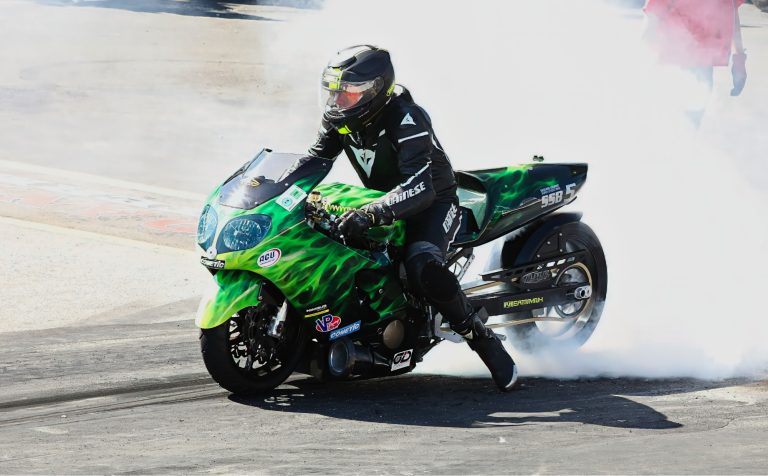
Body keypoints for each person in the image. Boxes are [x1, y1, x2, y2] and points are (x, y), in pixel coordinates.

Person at [306, 45, 518, 391]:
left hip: (432, 203)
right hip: (382, 202)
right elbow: (314, 162)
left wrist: (371, 213)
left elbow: (420, 187)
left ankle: (481, 338)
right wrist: (274, 187)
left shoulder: (407, 119)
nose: (337, 100)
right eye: (332, 91)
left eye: (347, 92)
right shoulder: (340, 119)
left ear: (374, 90)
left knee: (423, 268)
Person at [643, 0, 747, 125]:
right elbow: (653, 13)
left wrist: (739, 60)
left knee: (692, 118)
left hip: (704, 60)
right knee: (673, 118)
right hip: (675, 58)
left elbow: (731, 8)